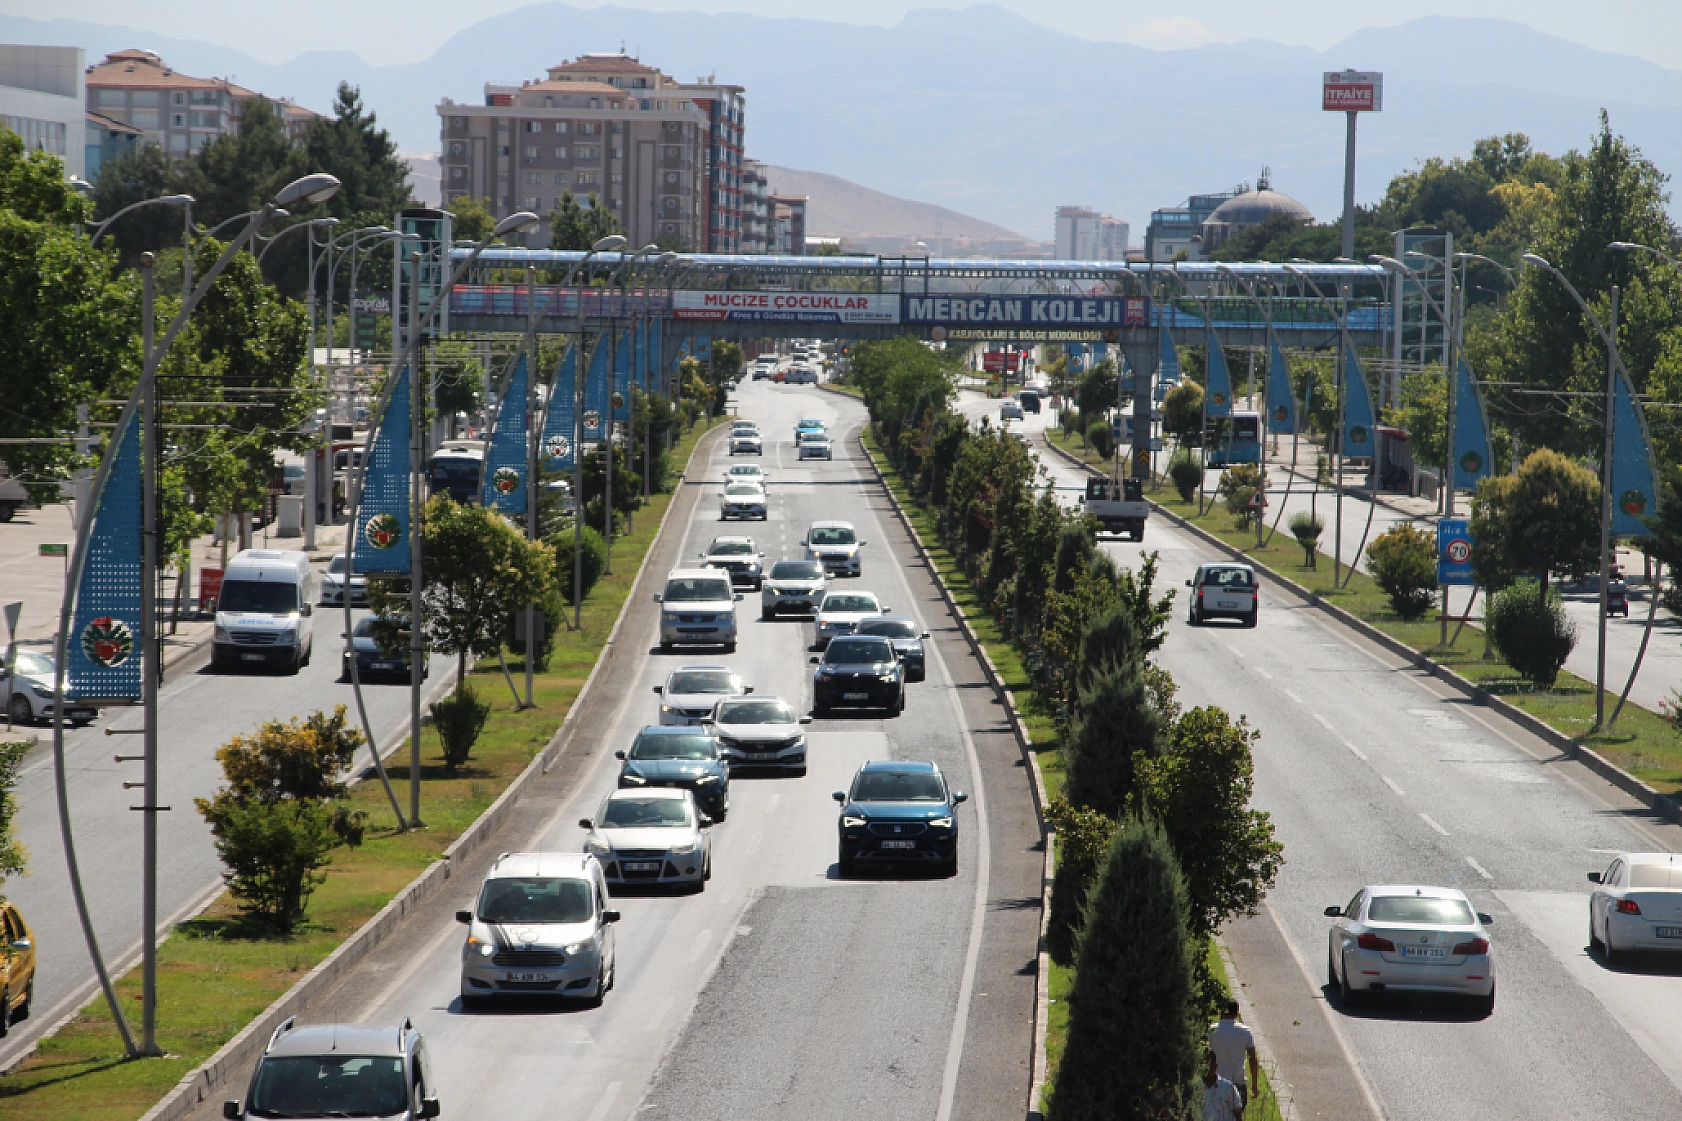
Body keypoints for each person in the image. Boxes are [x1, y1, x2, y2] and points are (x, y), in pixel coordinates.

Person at [1208, 999, 1259, 1111]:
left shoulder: (1212, 1030)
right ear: (1237, 1013)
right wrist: (1254, 1085)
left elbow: (1207, 1056)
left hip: (1216, 1082)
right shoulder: (1246, 1031)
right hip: (1238, 1082)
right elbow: (1253, 1060)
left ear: (1222, 1012)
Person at [1201, 1049, 1243, 1121]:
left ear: (1215, 1066)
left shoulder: (1228, 1087)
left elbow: (1237, 1112)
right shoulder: (1196, 1088)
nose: (1207, 1069)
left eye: (1209, 1065)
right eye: (1204, 1065)